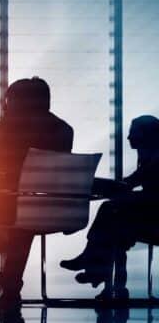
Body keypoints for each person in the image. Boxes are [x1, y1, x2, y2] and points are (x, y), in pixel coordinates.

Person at [0, 77, 74, 303]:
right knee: (21, 210)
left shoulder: (14, 125)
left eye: (9, 100)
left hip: (12, 208)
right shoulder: (64, 129)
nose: (6, 105)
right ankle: (10, 283)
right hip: (50, 209)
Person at [60, 115, 159, 300]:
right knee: (114, 225)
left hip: (155, 216)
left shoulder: (156, 158)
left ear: (147, 135)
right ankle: (96, 269)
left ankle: (93, 265)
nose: (129, 138)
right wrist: (119, 186)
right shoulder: (150, 155)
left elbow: (135, 183)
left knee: (109, 211)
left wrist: (110, 186)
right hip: (151, 213)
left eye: (132, 133)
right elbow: (133, 181)